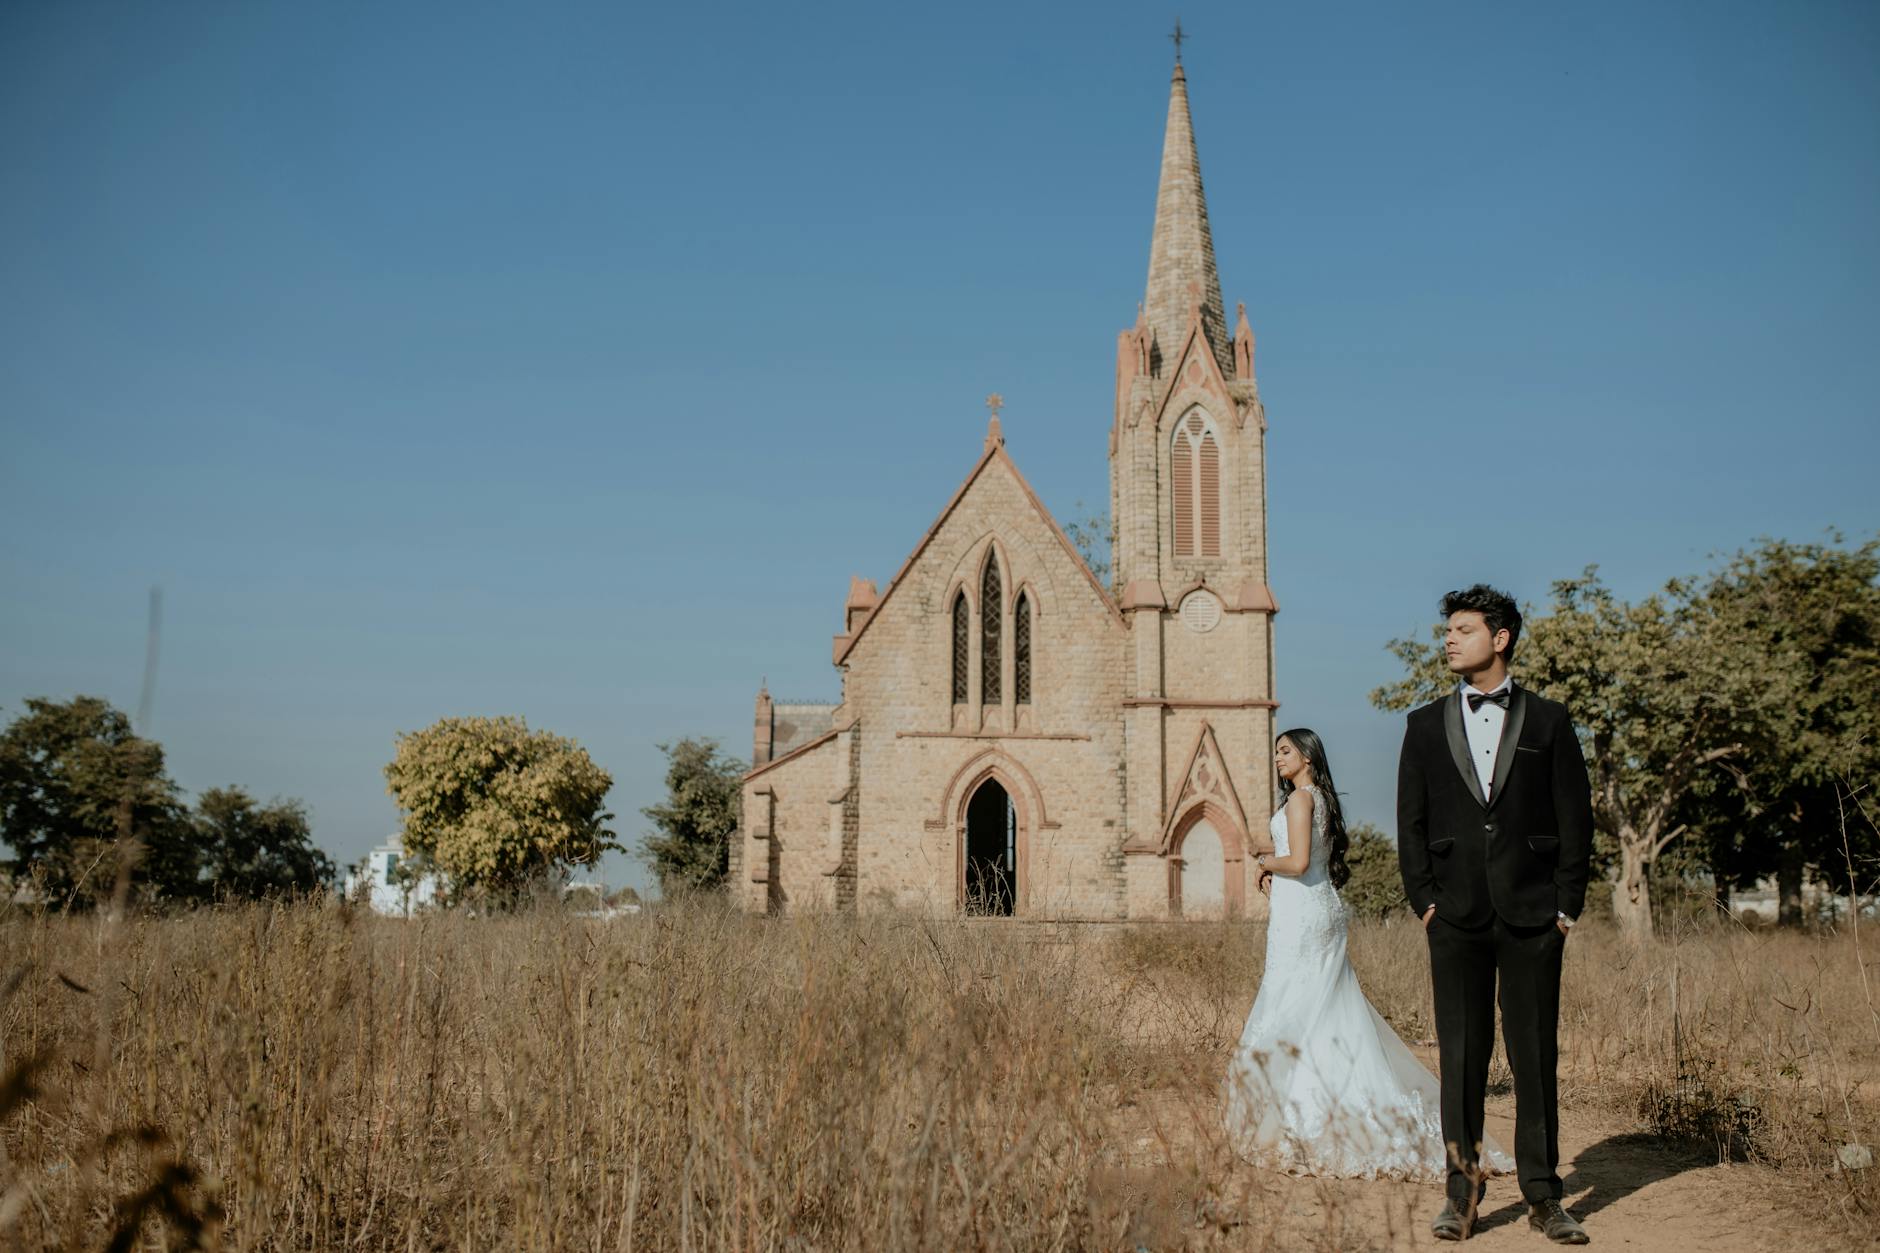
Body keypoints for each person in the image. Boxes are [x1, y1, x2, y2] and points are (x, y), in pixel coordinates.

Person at [1224, 728, 1513, 1182]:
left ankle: (1303, 1114)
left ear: (1307, 756)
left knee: (1297, 1002)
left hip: (1302, 911)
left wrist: (1263, 863)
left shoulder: (1300, 801)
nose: (1277, 758)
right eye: (1276, 751)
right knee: (1327, 1006)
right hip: (1315, 907)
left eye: (1285, 751)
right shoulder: (1320, 800)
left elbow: (1297, 863)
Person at [1397, 585, 1594, 1244]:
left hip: (1535, 915)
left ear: (1500, 638)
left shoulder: (1550, 722)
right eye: (1448, 629)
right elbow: (1411, 824)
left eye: (1463, 629)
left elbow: (1576, 820)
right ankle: (1462, 1194)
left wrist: (1566, 906)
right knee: (1460, 1058)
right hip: (1452, 916)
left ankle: (1544, 1196)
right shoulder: (1422, 725)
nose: (1450, 639)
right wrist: (1425, 901)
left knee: (1535, 1057)